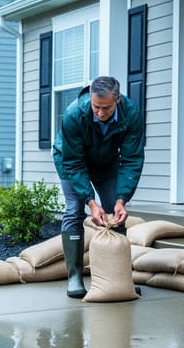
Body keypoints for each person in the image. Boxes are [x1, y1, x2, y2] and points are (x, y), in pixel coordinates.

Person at [53, 76, 144, 298]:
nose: (100, 114)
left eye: (106, 108)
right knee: (75, 209)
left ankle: (117, 277)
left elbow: (132, 159)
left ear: (118, 100)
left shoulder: (131, 114)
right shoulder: (74, 114)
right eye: (96, 107)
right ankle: (74, 276)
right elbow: (73, 163)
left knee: (115, 212)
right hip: (70, 160)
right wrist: (91, 203)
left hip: (106, 162)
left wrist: (122, 199)